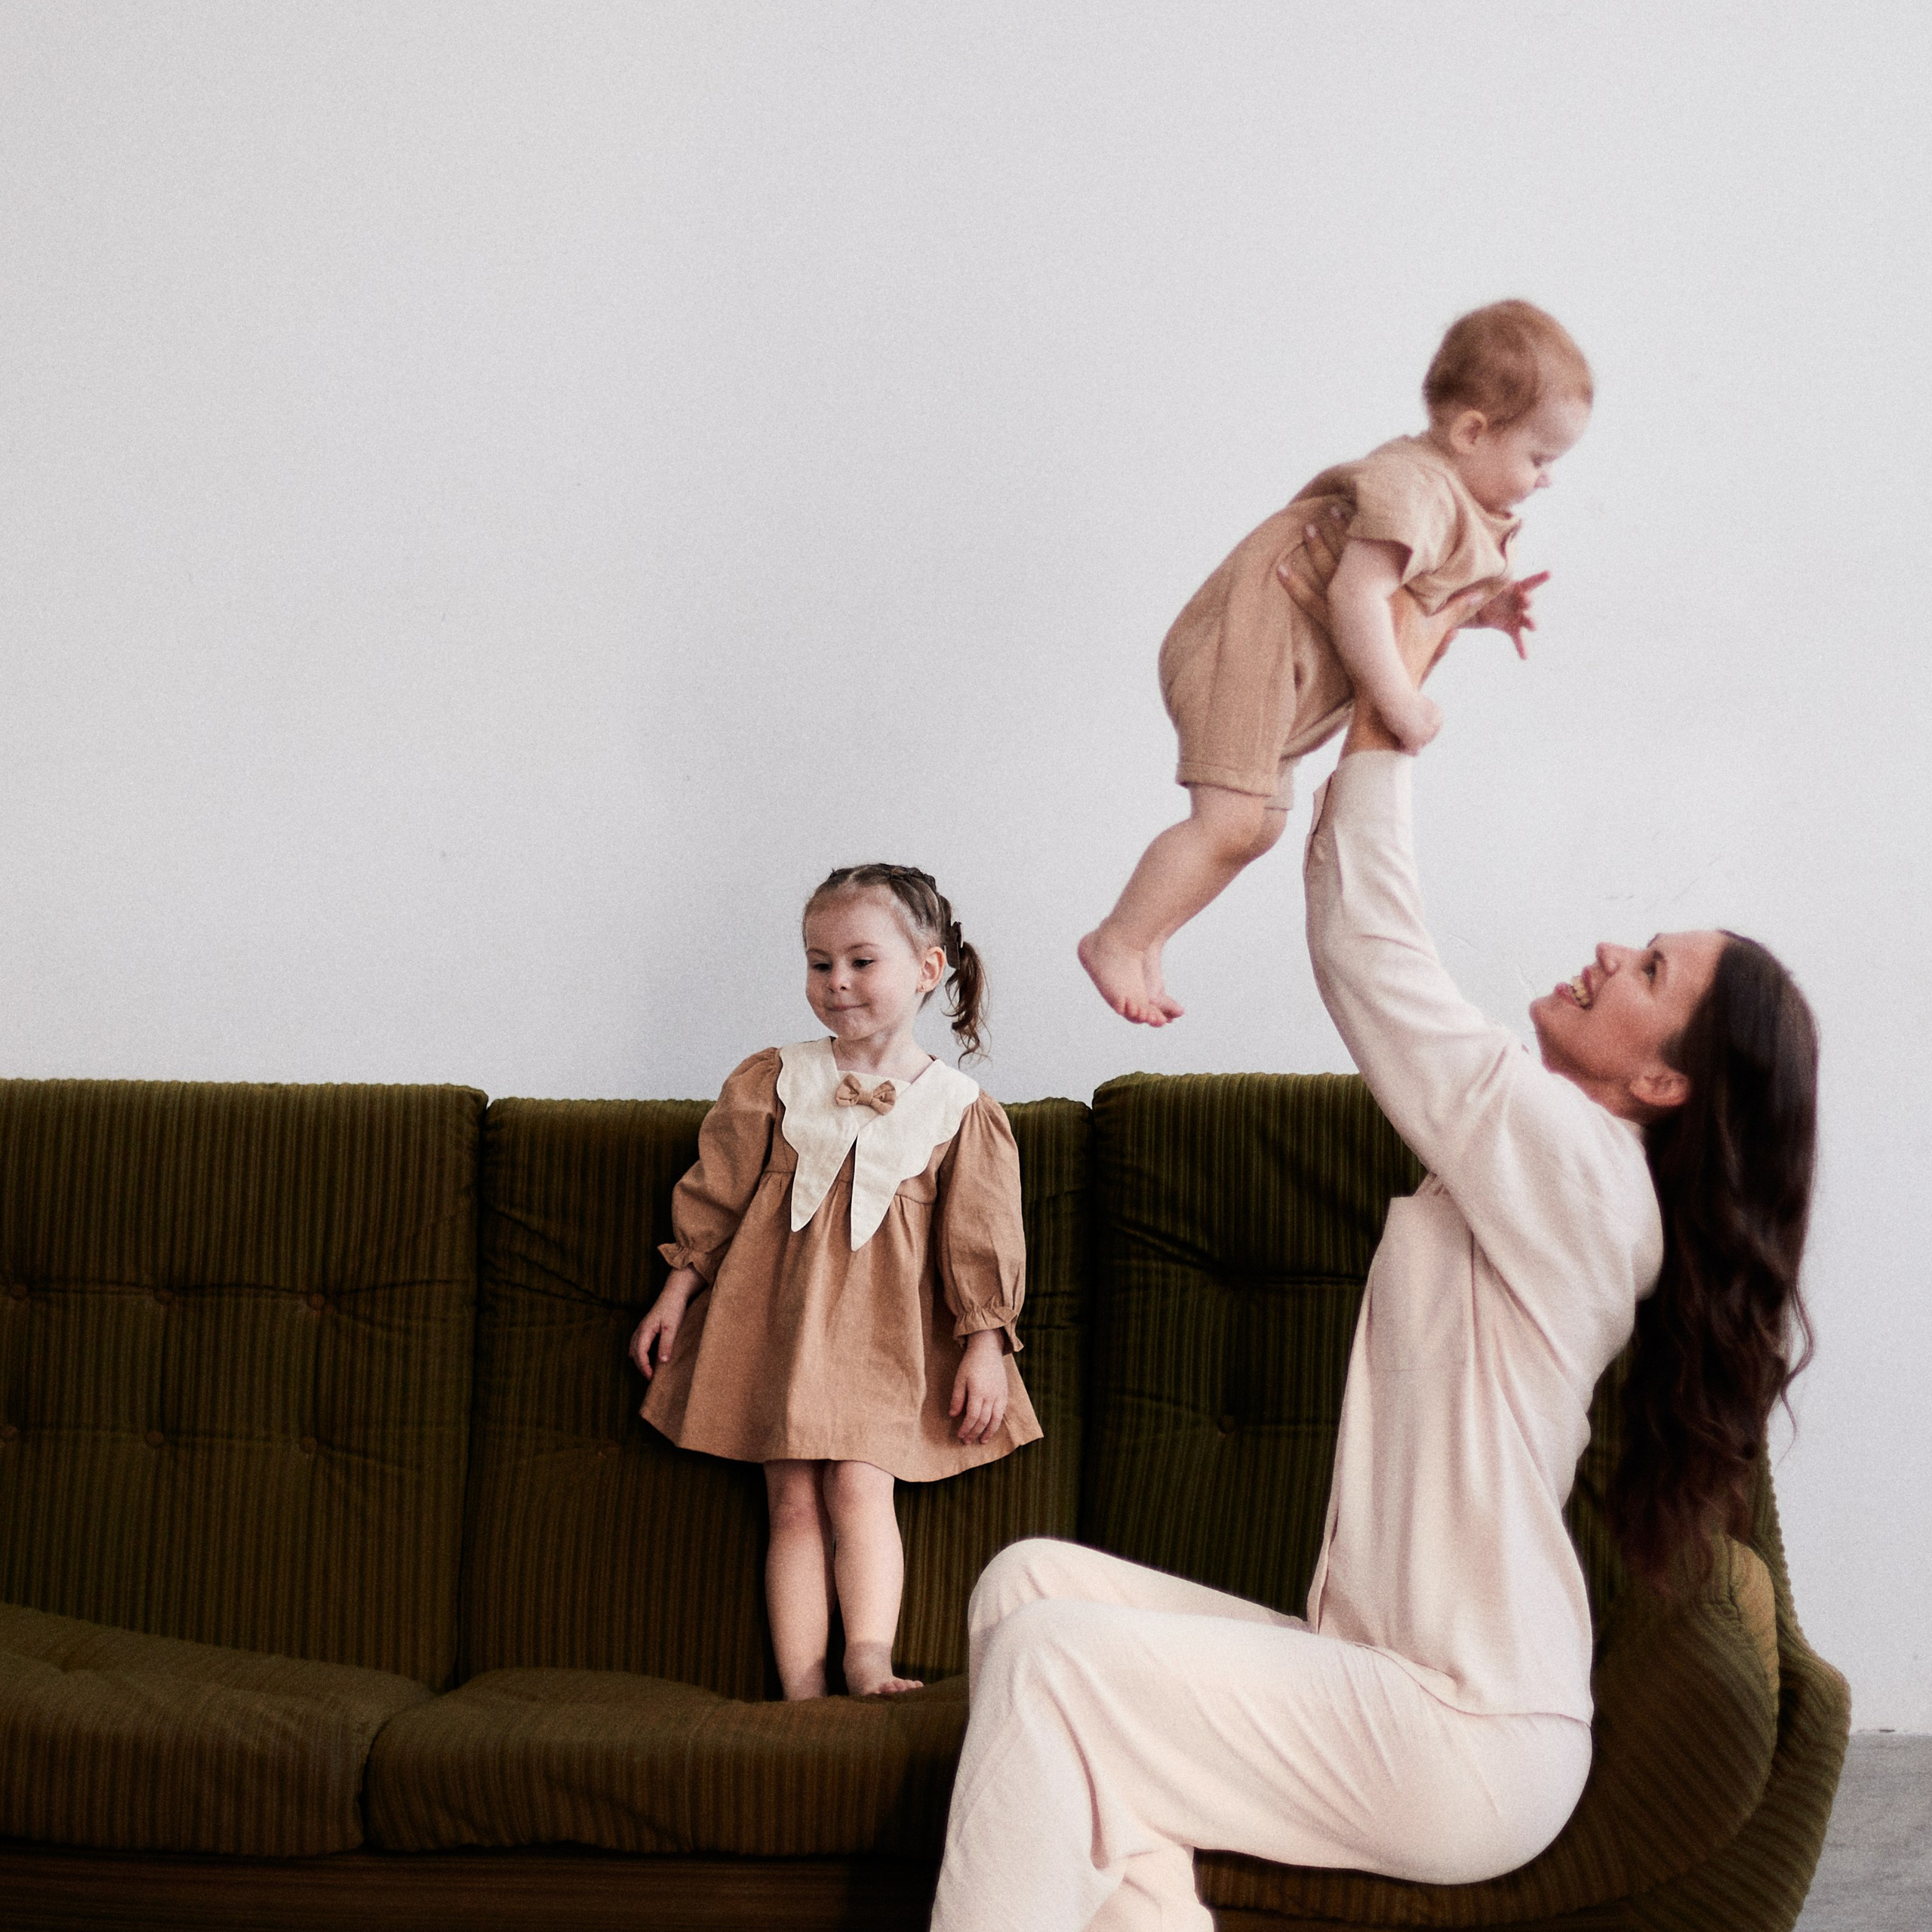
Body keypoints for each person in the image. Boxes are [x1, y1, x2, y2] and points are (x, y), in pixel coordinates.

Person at [933, 615, 1817, 1930]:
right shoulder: (1546, 1173)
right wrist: (1366, 703)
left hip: (1463, 1733)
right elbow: (1359, 937)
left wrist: (1389, 715)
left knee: (1059, 1664)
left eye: (1648, 971)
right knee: (1030, 1589)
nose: (1607, 953)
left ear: (1663, 1081)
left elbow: (1375, 961)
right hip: (1382, 1680)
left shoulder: (1586, 1171)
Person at [1079, 298, 1592, 1026]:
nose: (1545, 480)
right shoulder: (1417, 486)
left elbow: (1417, 595)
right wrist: (1398, 702)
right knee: (1228, 821)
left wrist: (1486, 610)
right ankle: (1118, 938)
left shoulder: (1452, 496)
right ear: (1473, 432)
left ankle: (1149, 936)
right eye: (1539, 459)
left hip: (1277, 674)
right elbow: (1359, 596)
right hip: (1245, 646)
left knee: (1258, 828)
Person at [630, 863, 1041, 1700]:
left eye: (861, 961)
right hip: (778, 1323)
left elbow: (981, 1239)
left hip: (881, 1336)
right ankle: (803, 1688)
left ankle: (867, 1657)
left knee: (858, 1485)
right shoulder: (773, 1077)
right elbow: (717, 1194)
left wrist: (986, 1344)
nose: (837, 981)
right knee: (791, 1502)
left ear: (927, 969)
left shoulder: (960, 1107)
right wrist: (676, 1290)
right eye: (820, 963)